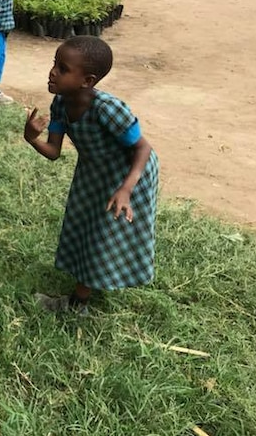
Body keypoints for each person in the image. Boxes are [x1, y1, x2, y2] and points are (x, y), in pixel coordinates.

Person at [24, 36, 159, 314]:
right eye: (54, 64)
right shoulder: (60, 104)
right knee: (86, 222)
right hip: (95, 170)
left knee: (103, 230)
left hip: (130, 172)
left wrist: (125, 190)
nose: (52, 72)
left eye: (62, 68)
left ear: (87, 80)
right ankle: (90, 280)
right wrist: (32, 138)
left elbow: (143, 148)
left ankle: (78, 302)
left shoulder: (107, 109)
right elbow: (53, 151)